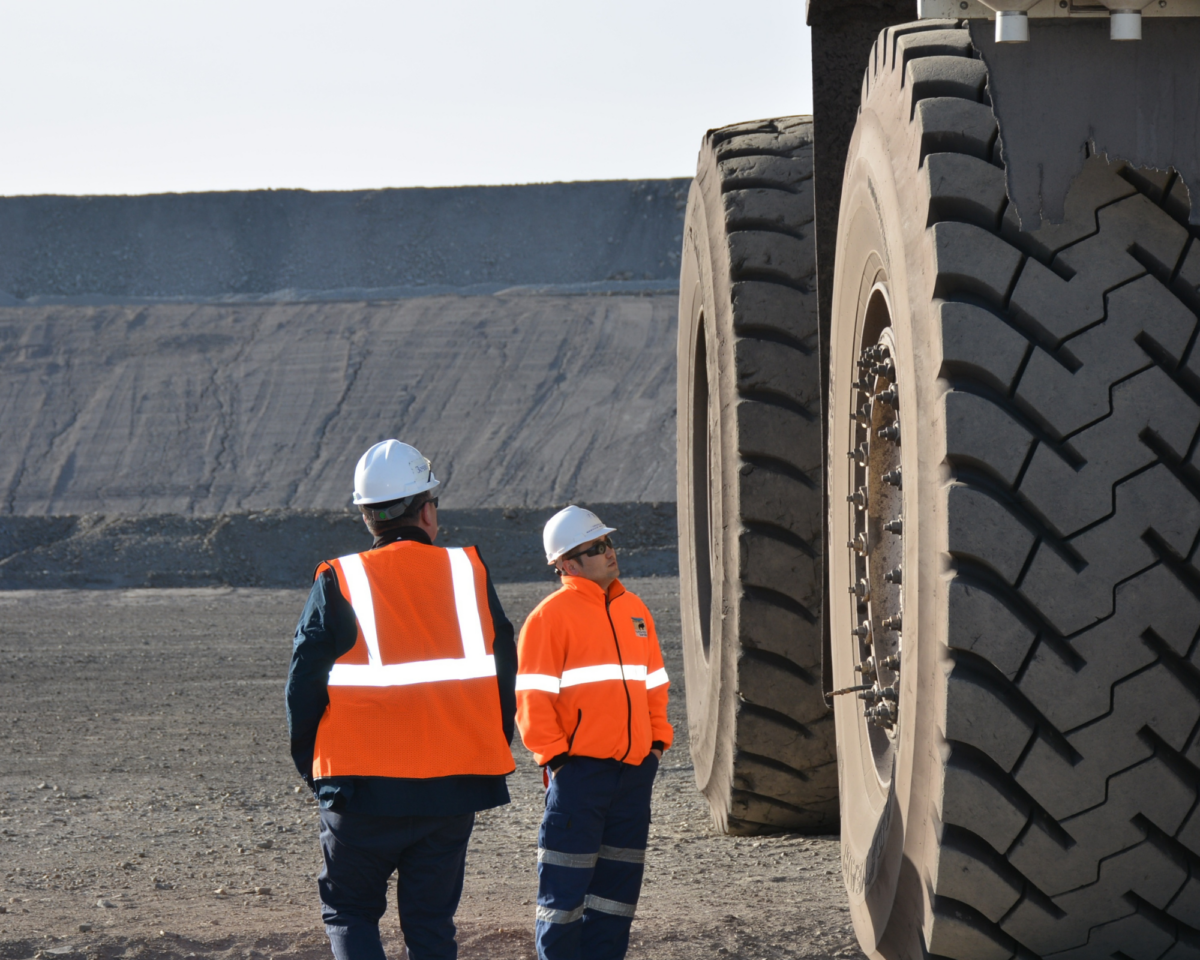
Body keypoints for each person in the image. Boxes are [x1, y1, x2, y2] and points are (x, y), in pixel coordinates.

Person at [286, 439, 516, 960]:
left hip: (361, 789)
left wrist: (314, 768)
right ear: (427, 511)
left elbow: (303, 684)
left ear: (368, 517)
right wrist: (486, 744)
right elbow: (505, 667)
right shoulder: (469, 573)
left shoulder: (337, 578)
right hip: (455, 786)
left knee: (350, 913)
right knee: (432, 923)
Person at [515, 505, 673, 960]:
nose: (610, 552)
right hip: (578, 778)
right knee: (563, 898)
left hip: (632, 776)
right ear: (567, 563)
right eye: (596, 548)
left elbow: (655, 686)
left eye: (608, 543)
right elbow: (532, 700)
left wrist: (657, 746)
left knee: (616, 899)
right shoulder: (549, 618)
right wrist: (558, 761)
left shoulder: (635, 609)